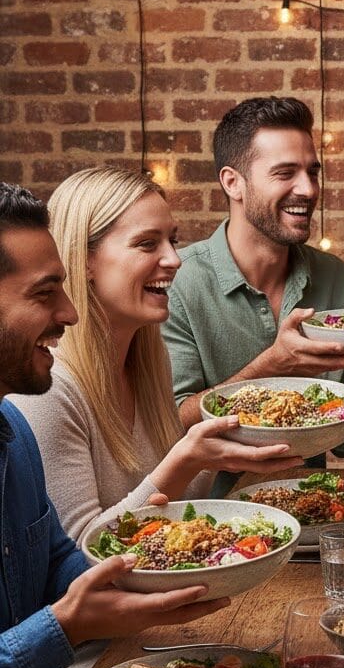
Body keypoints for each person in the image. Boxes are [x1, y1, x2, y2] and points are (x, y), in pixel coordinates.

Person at [0, 183, 228, 668]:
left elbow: (70, 569)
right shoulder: (39, 408)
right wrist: (66, 625)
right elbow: (70, 607)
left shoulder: (9, 435)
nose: (69, 312)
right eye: (46, 293)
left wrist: (184, 576)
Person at [11, 167, 297, 543]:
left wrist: (219, 451)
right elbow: (81, 555)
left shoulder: (149, 359)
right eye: (148, 244)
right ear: (83, 260)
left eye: (172, 241)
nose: (174, 259)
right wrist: (186, 461)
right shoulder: (49, 391)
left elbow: (173, 513)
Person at [162, 97, 344, 489]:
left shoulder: (333, 276)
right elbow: (168, 425)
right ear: (233, 182)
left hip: (310, 512)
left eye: (313, 172)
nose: (308, 189)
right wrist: (273, 365)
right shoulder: (178, 281)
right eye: (285, 173)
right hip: (208, 523)